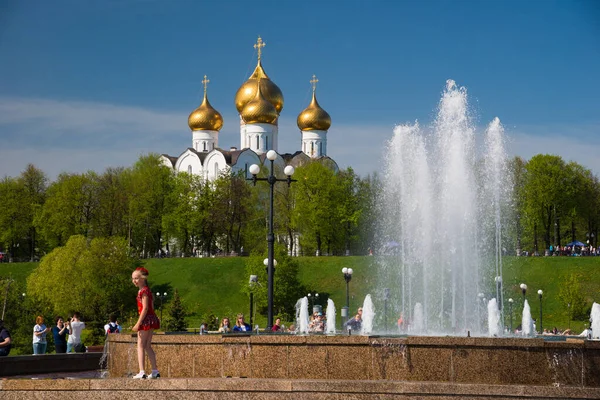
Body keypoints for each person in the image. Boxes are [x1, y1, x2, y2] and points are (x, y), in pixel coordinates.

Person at [131, 266, 160, 379]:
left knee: (140, 345)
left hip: (145, 320)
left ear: (143, 278)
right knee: (147, 346)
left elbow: (146, 308)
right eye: (133, 278)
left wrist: (138, 323)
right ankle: (154, 371)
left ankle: (142, 371)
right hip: (151, 319)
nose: (134, 281)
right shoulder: (147, 290)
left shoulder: (143, 291)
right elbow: (152, 306)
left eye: (136, 278)